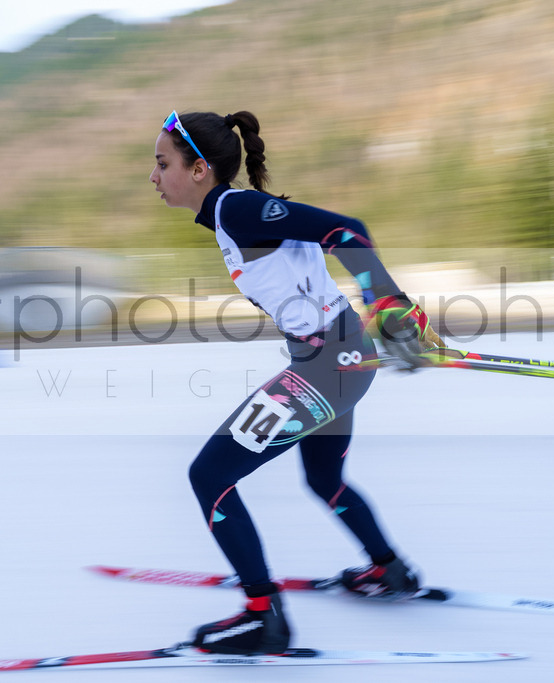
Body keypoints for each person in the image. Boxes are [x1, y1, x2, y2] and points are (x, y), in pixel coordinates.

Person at [148, 110, 444, 655]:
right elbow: (332, 240)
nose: (154, 176)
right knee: (324, 479)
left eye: (163, 164)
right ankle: (390, 570)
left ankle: (264, 618)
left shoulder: (235, 209)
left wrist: (388, 300)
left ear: (199, 169)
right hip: (341, 362)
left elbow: (346, 230)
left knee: (210, 477)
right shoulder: (233, 215)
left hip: (327, 369)